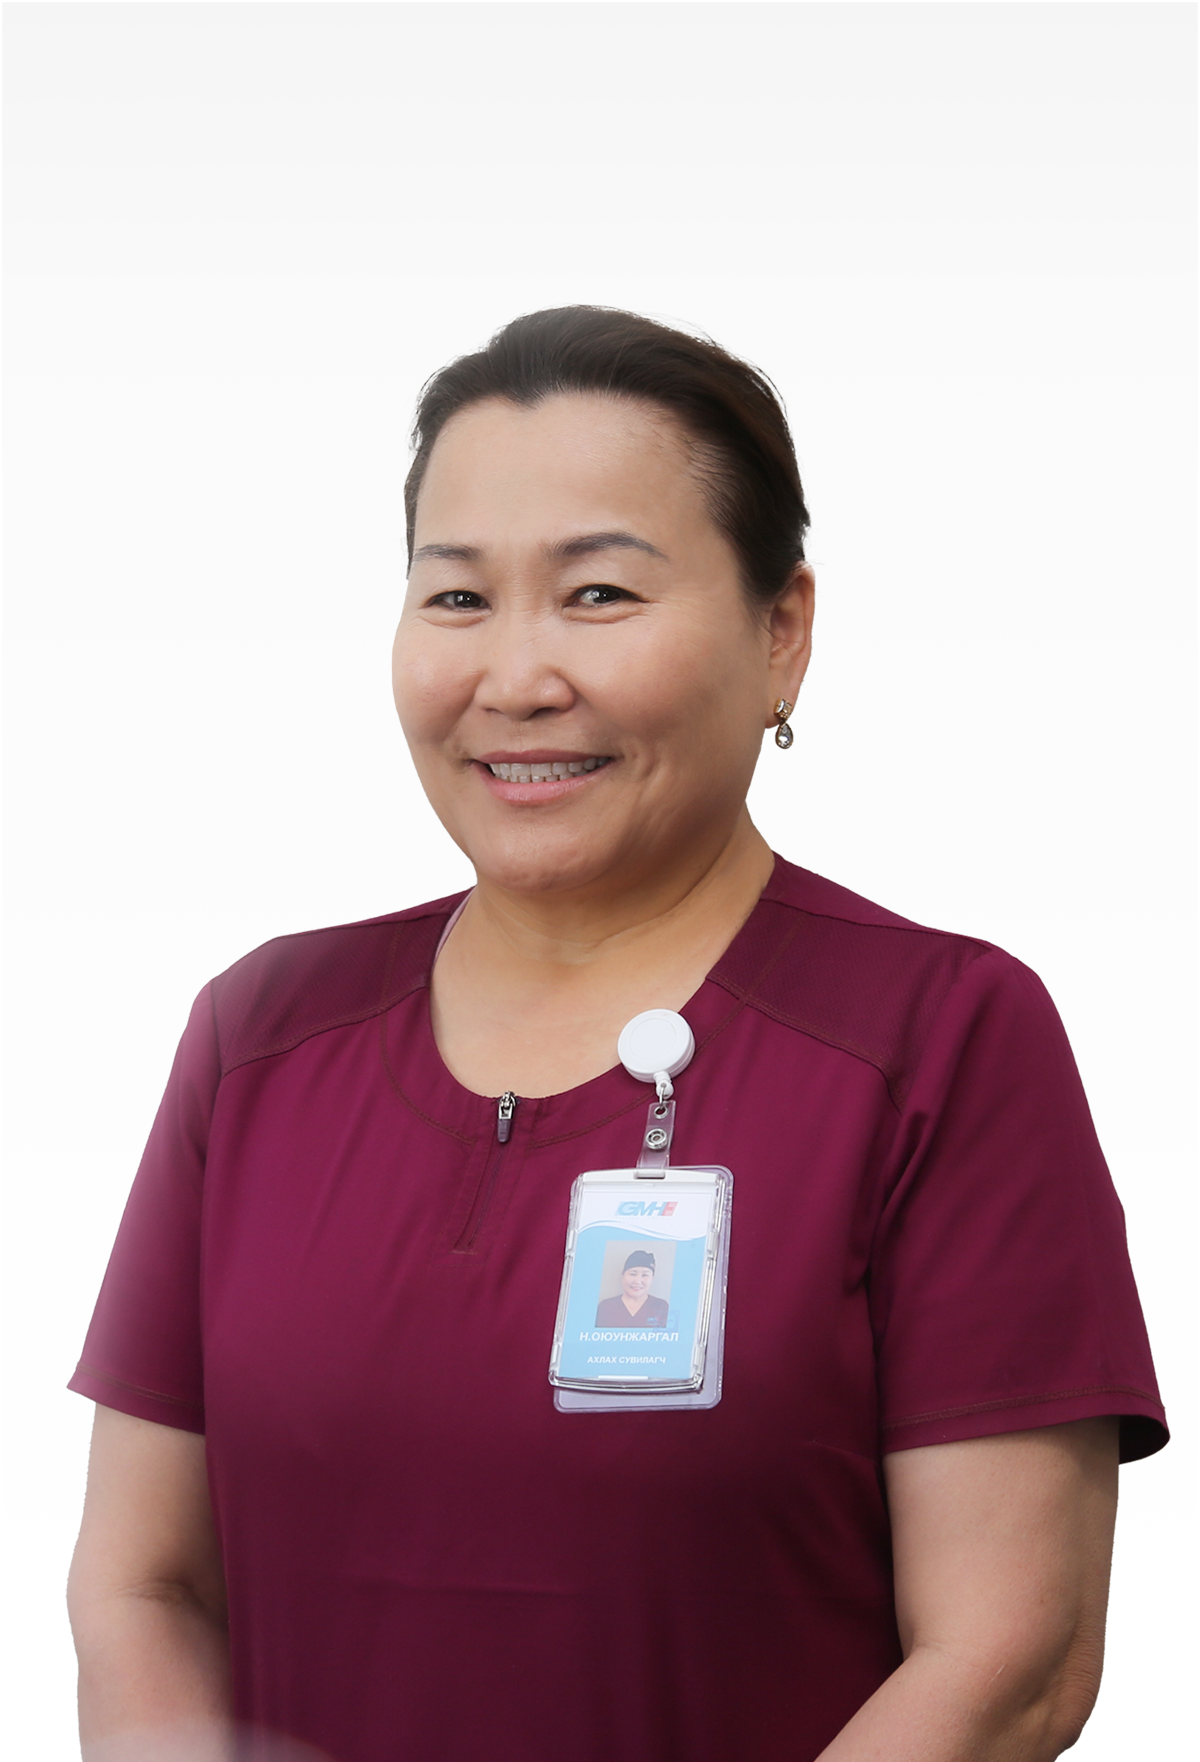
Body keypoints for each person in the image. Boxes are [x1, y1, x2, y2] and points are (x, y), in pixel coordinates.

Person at [66, 306, 1167, 1762]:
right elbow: (142, 1584)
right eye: (458, 597)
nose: (517, 677)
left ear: (782, 633)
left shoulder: (937, 1038)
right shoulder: (259, 1037)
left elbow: (1008, 1657)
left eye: (597, 594)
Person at [595, 1249, 669, 1328]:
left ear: (652, 1278)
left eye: (645, 1275)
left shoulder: (661, 1307)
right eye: (633, 1274)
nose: (637, 1281)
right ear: (623, 1275)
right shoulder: (606, 1307)